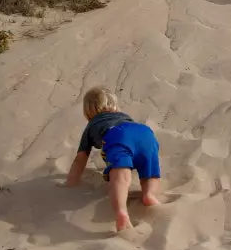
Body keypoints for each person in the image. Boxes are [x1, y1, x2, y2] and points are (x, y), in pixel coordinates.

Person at [63, 86, 161, 231]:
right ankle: (149, 194)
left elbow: (81, 158)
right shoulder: (124, 116)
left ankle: (121, 211)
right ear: (115, 106)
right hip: (144, 132)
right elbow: (133, 137)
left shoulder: (92, 125)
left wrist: (71, 183)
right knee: (150, 168)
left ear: (88, 111)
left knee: (120, 176)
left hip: (117, 135)